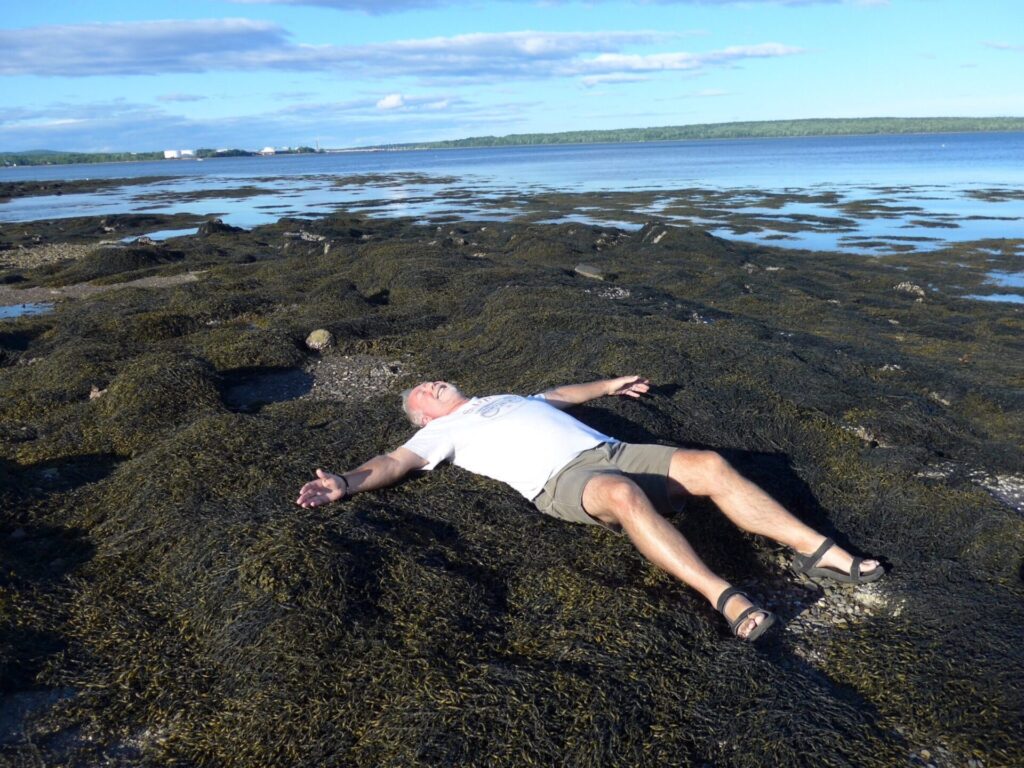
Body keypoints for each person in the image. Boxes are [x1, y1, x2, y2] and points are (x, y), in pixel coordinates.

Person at [296, 376, 883, 642]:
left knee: (709, 465)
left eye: (433, 381)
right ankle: (722, 595)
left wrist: (608, 386)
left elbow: (554, 396)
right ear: (423, 415)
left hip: (616, 448)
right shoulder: (435, 436)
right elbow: (392, 462)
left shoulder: (500, 398)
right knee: (624, 497)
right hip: (566, 480)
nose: (433, 382)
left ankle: (815, 551)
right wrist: (346, 481)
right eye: (423, 390)